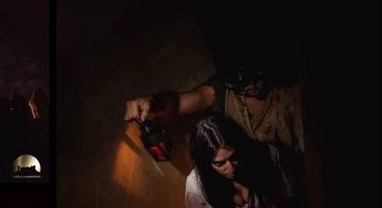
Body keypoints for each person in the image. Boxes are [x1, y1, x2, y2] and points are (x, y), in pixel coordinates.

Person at [124, 63, 304, 158]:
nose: (254, 83)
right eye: (245, 77)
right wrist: (152, 101)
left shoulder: (287, 91)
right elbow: (180, 102)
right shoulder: (224, 91)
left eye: (257, 75)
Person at [185, 112, 299, 208]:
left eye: (234, 157)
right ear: (206, 164)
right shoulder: (196, 188)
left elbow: (286, 194)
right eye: (220, 164)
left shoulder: (267, 156)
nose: (231, 168)